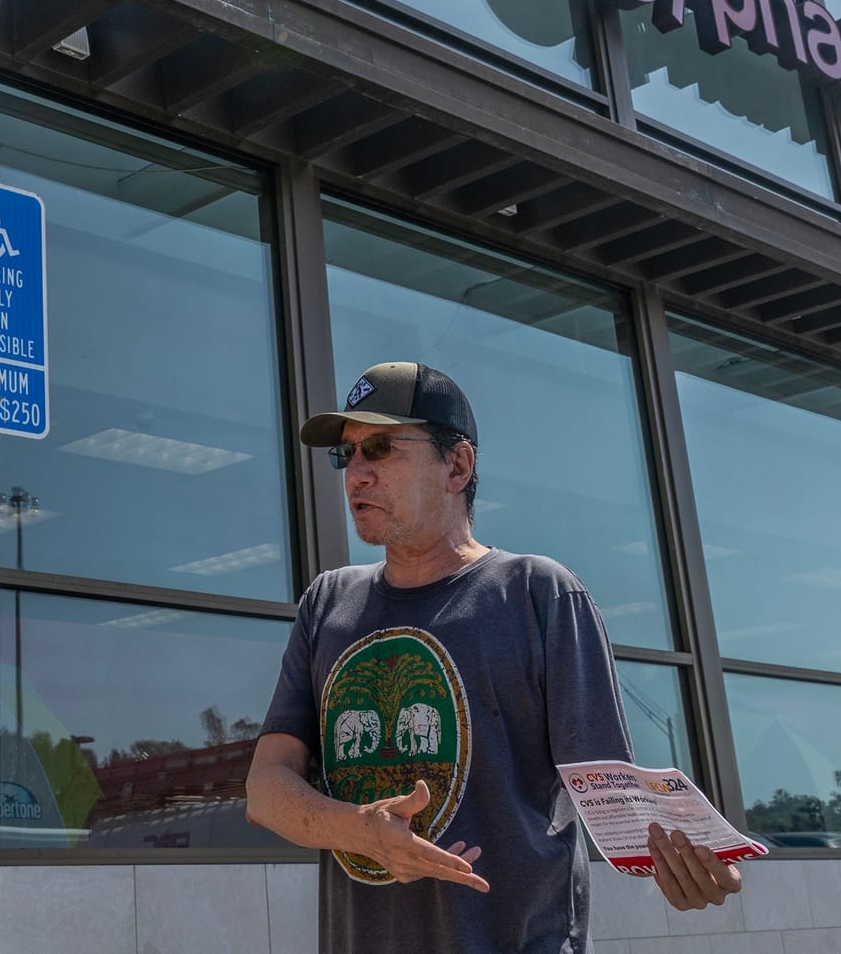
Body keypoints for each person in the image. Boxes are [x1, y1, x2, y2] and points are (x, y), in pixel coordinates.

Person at [246, 362, 742, 952]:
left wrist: (688, 862)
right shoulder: (326, 604)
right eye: (345, 455)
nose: (356, 473)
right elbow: (265, 789)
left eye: (378, 447)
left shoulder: (539, 594)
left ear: (457, 465)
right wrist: (363, 831)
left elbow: (614, 798)